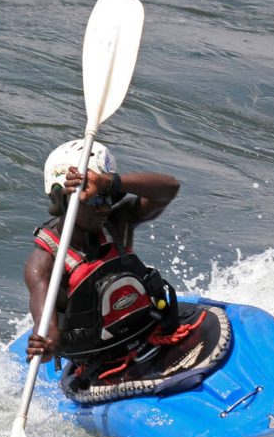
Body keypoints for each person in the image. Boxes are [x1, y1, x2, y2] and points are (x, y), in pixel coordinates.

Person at [24, 139, 182, 382]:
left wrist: (108, 183)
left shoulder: (120, 221)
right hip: (101, 362)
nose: (104, 208)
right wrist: (44, 347)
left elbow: (170, 188)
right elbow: (49, 332)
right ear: (61, 199)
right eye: (94, 200)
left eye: (108, 198)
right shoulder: (44, 262)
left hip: (149, 333)